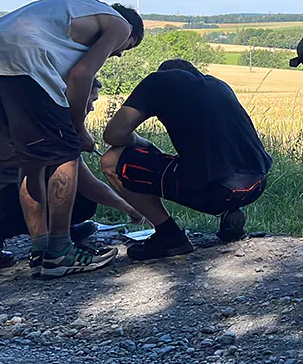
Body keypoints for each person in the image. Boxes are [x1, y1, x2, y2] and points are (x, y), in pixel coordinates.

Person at [0, 0, 144, 278]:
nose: (116, 54)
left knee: (31, 159)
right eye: (124, 49)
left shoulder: (75, 13)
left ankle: (41, 250)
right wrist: (78, 130)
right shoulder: (119, 25)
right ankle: (61, 251)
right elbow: (81, 75)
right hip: (25, 55)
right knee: (65, 156)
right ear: (130, 34)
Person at [0, 80, 145, 270]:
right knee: (80, 200)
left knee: (55, 181)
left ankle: (59, 232)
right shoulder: (52, 124)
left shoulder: (32, 114)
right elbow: (87, 185)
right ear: (77, 98)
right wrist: (129, 208)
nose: (92, 108)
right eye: (91, 101)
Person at [101, 59, 273, 260]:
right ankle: (231, 213)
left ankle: (170, 236)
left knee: (111, 160)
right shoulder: (218, 85)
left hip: (217, 189)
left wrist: (140, 141)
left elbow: (113, 135)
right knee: (214, 161)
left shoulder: (158, 82)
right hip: (257, 184)